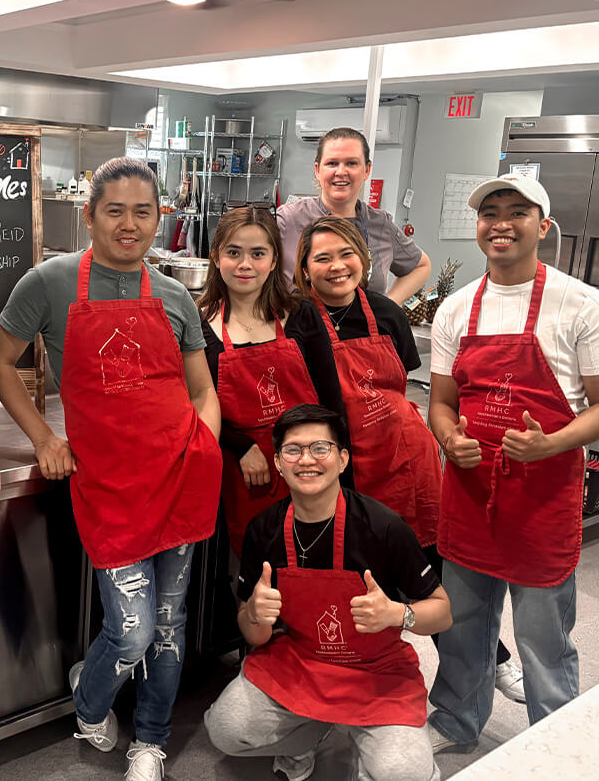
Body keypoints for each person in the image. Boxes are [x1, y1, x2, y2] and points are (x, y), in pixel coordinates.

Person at [0, 156, 222, 781]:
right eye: (114, 210)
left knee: (169, 627)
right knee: (133, 632)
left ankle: (151, 739)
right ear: (89, 216)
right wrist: (43, 438)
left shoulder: (174, 296)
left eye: (143, 212)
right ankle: (89, 702)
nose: (129, 224)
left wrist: (204, 448)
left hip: (179, 479)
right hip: (110, 486)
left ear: (159, 218)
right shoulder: (50, 282)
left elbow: (202, 390)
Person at [290, 216, 523, 700]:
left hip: (408, 456)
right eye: (323, 258)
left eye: (346, 254)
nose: (337, 266)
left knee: (433, 568)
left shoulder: (386, 313)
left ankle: (488, 661)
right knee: (359, 578)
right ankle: (353, 684)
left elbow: (403, 384)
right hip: (349, 465)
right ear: (305, 269)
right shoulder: (297, 319)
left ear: (364, 258)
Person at [427, 174, 599, 753]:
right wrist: (451, 440)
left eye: (517, 211)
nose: (501, 221)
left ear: (543, 227)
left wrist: (551, 443)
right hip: (470, 495)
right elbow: (442, 403)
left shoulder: (579, 304)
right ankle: (454, 721)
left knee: (543, 636)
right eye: (490, 211)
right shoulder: (457, 308)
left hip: (543, 498)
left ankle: (553, 744)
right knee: (462, 627)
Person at [204, 404, 451, 781]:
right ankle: (311, 736)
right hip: (300, 666)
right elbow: (254, 634)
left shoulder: (384, 528)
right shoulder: (263, 531)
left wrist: (398, 614)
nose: (307, 460)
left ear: (342, 460)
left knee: (402, 773)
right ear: (279, 462)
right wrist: (253, 613)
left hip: (376, 675)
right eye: (293, 450)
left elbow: (443, 612)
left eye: (320, 448)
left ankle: (372, 740)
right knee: (226, 729)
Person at [197, 205, 341, 555]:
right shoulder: (199, 326)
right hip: (240, 476)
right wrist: (241, 446)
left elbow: (331, 402)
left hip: (309, 467)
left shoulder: (301, 314)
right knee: (251, 575)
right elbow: (195, 403)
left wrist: (330, 465)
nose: (245, 264)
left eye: (258, 253)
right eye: (234, 253)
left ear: (275, 260)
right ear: (216, 258)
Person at [276, 127, 430, 303]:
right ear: (318, 170)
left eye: (351, 163)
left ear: (367, 170)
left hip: (366, 330)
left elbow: (421, 266)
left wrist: (388, 307)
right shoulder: (288, 219)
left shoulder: (380, 224)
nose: (341, 171)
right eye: (332, 163)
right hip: (303, 329)